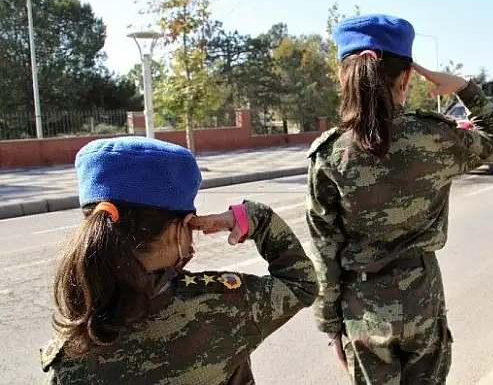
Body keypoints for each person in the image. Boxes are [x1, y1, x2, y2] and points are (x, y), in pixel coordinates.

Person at [306, 14, 493, 384]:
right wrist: (465, 87)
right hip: (422, 296)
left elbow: (325, 247)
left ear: (344, 77)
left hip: (362, 306)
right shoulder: (436, 138)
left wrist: (330, 324)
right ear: (407, 76)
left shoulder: (330, 155)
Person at [40, 137, 317, 384]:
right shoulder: (219, 306)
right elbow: (301, 283)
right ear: (177, 230)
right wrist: (255, 218)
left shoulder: (69, 351)